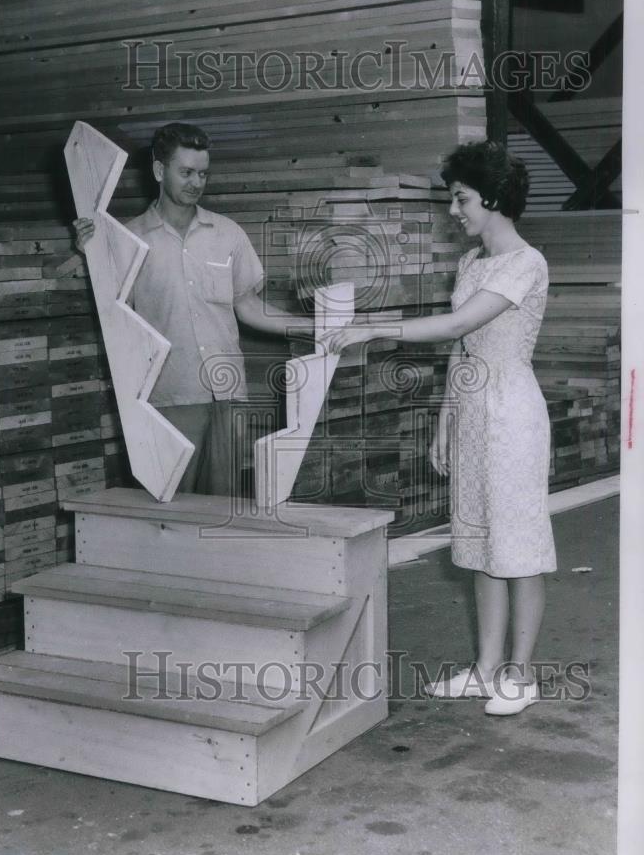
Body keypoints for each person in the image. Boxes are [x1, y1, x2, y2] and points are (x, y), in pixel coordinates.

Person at [323, 140, 556, 717]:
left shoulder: (527, 263)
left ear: (495, 198)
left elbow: (459, 321)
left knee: (518, 549)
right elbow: (460, 347)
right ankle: (483, 669)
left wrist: (372, 327)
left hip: (512, 415)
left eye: (461, 199)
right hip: (473, 414)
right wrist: (444, 425)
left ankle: (519, 675)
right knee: (478, 547)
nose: (455, 211)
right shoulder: (470, 263)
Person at [74, 121, 315, 496]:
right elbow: (107, 313)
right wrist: (84, 251)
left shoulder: (228, 234)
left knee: (223, 510)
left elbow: (248, 306)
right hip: (169, 398)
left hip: (228, 396)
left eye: (203, 174)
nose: (196, 183)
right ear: (159, 171)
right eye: (185, 172)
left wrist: (313, 327)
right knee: (172, 511)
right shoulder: (127, 241)